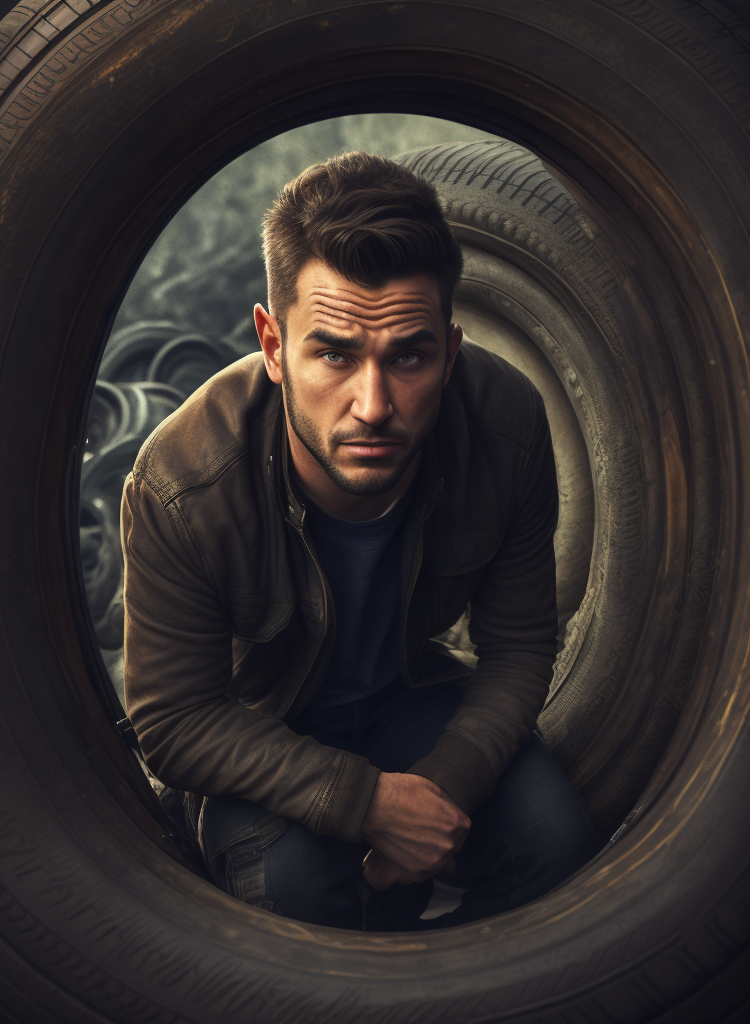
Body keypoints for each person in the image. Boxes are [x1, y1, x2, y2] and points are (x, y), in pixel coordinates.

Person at [121, 151, 601, 931]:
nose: (373, 405)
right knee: (300, 893)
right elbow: (175, 722)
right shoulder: (182, 482)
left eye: (407, 355)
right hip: (264, 732)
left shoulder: (507, 425)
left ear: (449, 351)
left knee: (557, 842)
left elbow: (517, 648)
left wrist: (438, 794)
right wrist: (367, 804)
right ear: (274, 345)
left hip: (409, 699)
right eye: (335, 353)